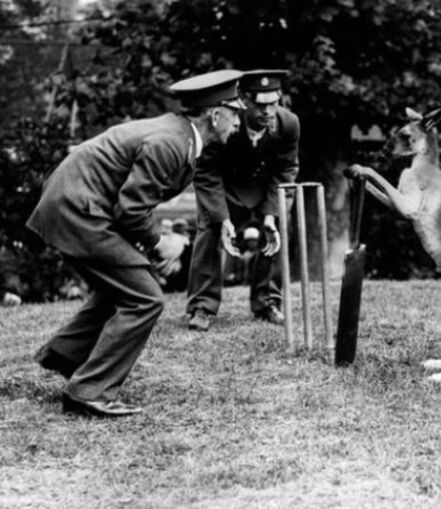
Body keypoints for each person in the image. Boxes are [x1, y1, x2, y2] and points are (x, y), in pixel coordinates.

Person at [27, 69, 244, 417]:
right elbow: (131, 210)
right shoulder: (171, 143)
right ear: (215, 114)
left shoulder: (179, 137)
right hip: (78, 209)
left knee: (122, 287)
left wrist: (146, 246)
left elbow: (127, 203)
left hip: (76, 204)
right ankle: (88, 390)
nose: (238, 121)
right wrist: (161, 242)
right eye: (235, 112)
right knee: (145, 298)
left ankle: (66, 355)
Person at [186, 69, 300, 331]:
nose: (268, 111)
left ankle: (268, 301)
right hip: (225, 190)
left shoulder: (289, 124)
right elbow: (205, 171)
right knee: (210, 230)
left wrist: (272, 215)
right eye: (260, 105)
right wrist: (222, 218)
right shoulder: (224, 123)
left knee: (278, 231)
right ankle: (202, 306)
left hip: (264, 191)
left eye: (273, 103)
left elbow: (286, 171)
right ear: (244, 102)